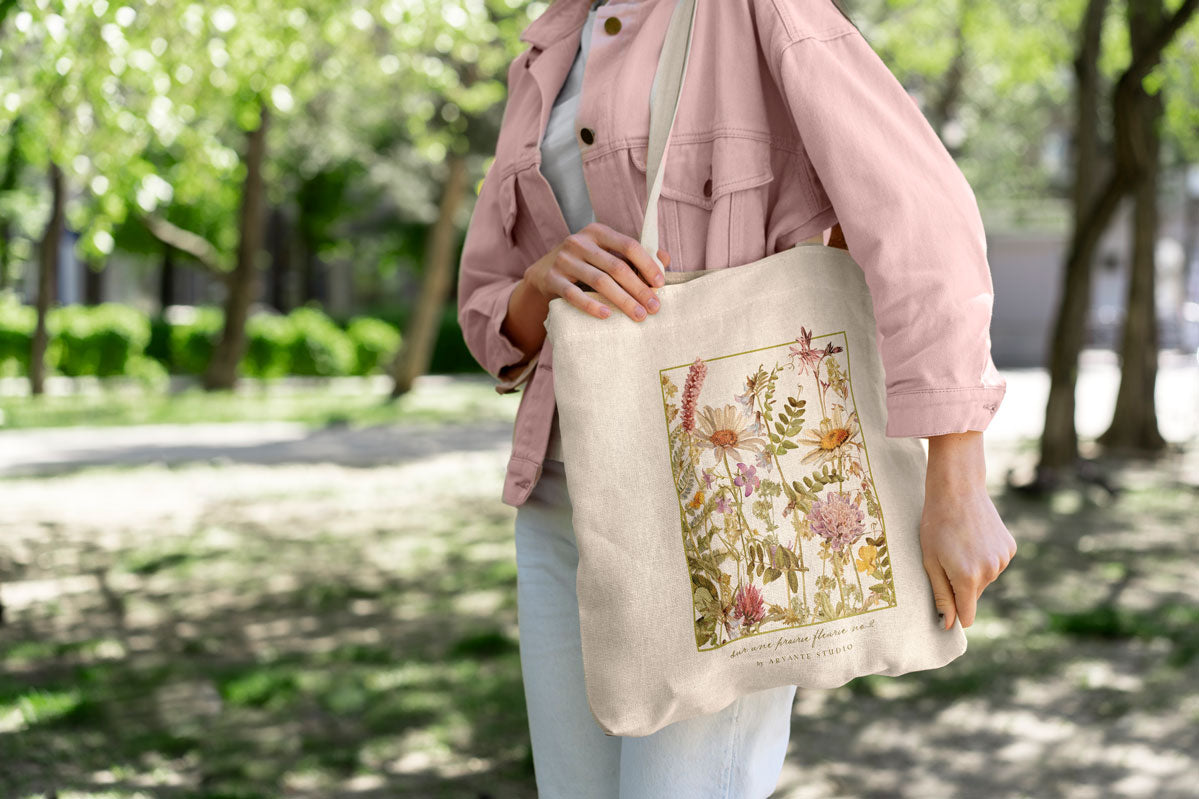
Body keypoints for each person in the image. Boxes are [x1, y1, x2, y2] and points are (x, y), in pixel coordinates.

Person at [456, 0, 1018, 796]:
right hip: (557, 509)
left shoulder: (755, 10)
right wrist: (541, 284)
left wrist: (956, 479)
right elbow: (486, 306)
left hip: (723, 508)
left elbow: (921, 218)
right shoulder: (546, 44)